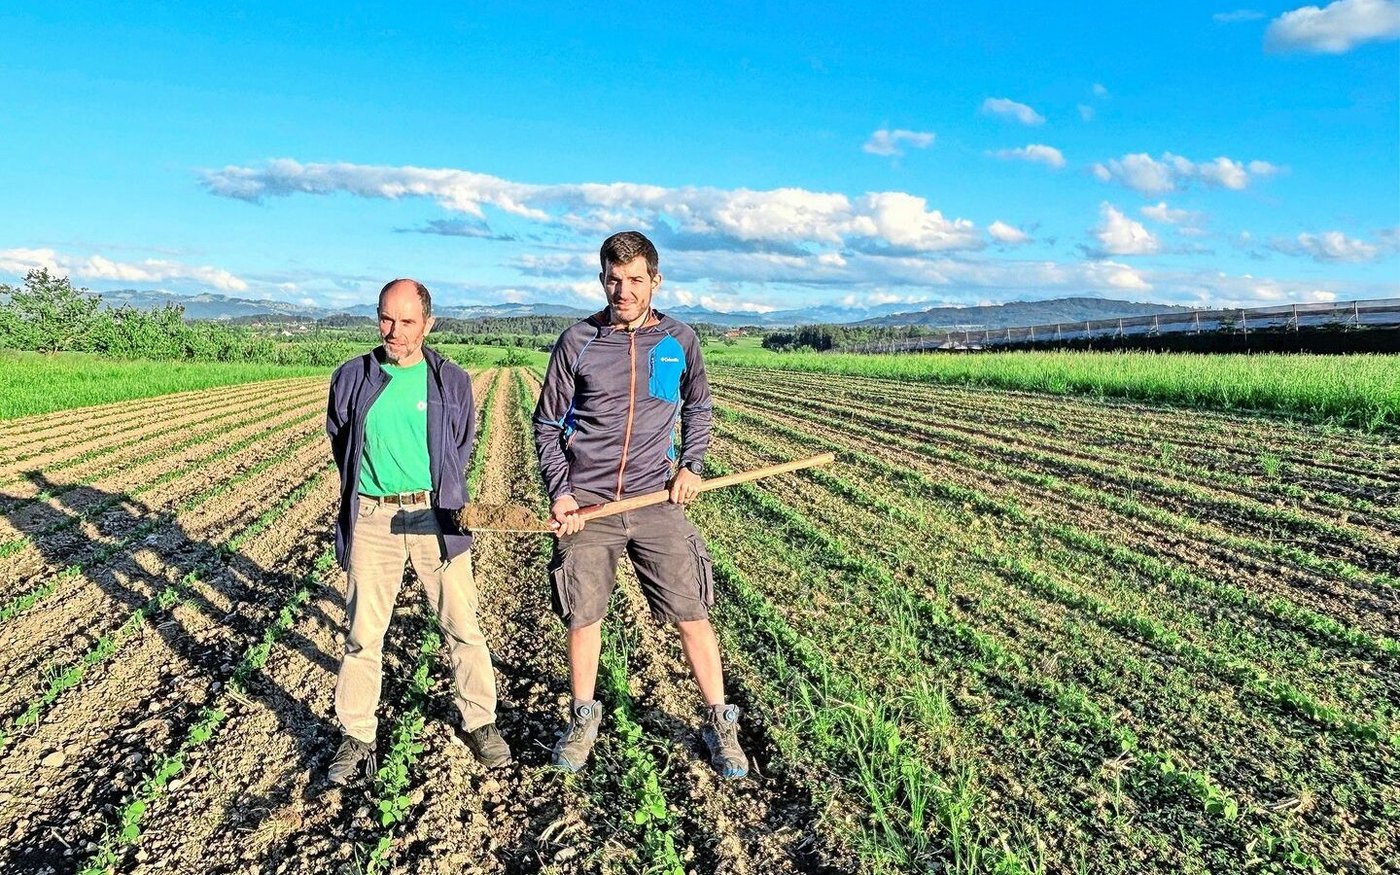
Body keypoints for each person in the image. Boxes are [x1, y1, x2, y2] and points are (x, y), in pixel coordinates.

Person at [533, 231, 748, 779]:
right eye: (613, 279)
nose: (622, 290)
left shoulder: (680, 340)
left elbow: (697, 406)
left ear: (655, 280)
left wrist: (691, 466)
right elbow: (547, 422)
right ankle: (582, 718)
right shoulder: (577, 341)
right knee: (584, 616)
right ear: (601, 278)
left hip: (657, 500)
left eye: (634, 280)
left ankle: (720, 723)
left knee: (692, 615)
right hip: (591, 507)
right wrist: (561, 492)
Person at [323, 278, 510, 785]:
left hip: (434, 517)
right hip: (373, 518)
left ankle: (480, 722)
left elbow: (461, 443)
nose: (395, 330)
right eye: (387, 318)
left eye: (407, 321)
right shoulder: (351, 377)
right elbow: (342, 439)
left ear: (428, 324)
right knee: (364, 634)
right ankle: (357, 734)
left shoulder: (449, 380)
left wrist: (441, 499)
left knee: (462, 624)